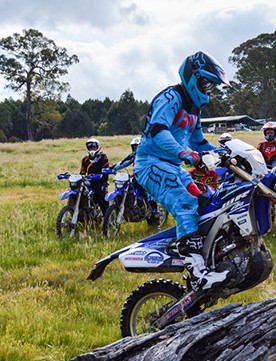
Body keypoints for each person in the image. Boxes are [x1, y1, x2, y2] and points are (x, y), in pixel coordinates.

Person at [134, 51, 232, 292]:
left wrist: (227, 152)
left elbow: (199, 143)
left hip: (173, 167)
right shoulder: (171, 97)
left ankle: (206, 256)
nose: (208, 90)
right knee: (185, 204)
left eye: (211, 86)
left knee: (206, 201)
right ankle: (198, 272)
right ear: (193, 77)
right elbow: (158, 130)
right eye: (206, 84)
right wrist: (184, 153)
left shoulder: (194, 109)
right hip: (151, 164)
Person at [80, 137, 110, 214]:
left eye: (94, 147)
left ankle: (108, 220)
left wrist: (99, 175)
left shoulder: (103, 157)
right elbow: (82, 172)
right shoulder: (85, 159)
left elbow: (105, 170)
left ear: (98, 147)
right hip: (89, 182)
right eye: (90, 148)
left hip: (100, 183)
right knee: (80, 194)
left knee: (102, 201)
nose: (92, 149)